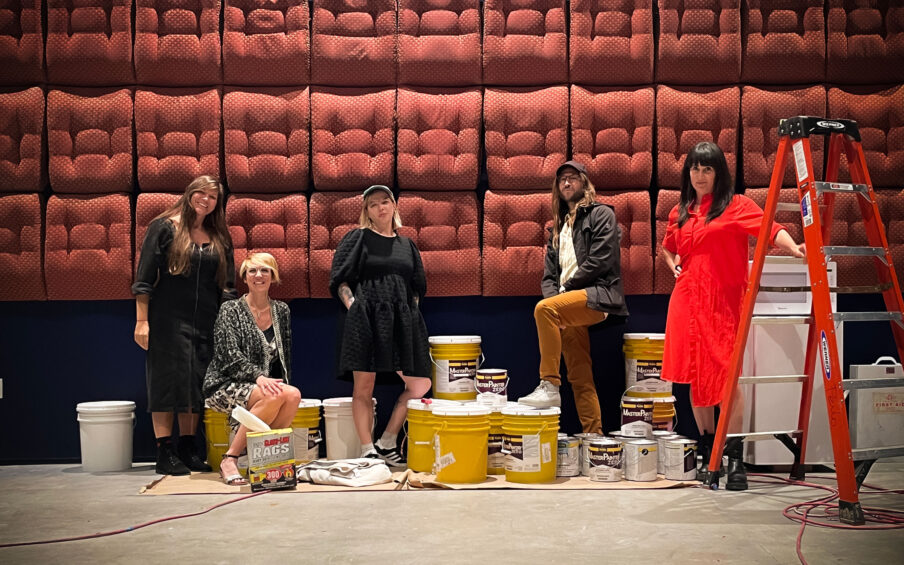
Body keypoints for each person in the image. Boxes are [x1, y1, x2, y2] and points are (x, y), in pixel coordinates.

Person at [660, 141, 806, 490]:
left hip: (723, 304)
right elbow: (668, 248)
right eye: (694, 168)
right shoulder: (680, 210)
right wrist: (673, 265)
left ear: (719, 172)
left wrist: (794, 247)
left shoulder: (736, 205)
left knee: (728, 378)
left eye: (707, 168)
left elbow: (770, 228)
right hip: (687, 301)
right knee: (696, 376)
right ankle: (709, 449)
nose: (699, 175)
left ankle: (734, 454)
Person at [133, 175, 236, 475]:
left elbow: (227, 288)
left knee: (196, 385)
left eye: (213, 197)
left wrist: (226, 325)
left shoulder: (219, 236)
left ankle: (188, 448)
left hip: (207, 321)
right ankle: (164, 451)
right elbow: (144, 280)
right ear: (189, 193)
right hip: (167, 320)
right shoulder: (164, 227)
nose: (206, 200)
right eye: (201, 193)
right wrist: (142, 321)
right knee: (166, 384)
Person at [518, 160, 629, 435]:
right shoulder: (557, 228)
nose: (567, 183)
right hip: (570, 304)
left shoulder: (602, 214)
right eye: (562, 180)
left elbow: (600, 261)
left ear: (584, 183)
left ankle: (550, 384)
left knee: (544, 311)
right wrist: (557, 298)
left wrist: (562, 295)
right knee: (580, 374)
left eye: (572, 178)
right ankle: (594, 435)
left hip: (597, 295)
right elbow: (548, 276)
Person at [329, 185, 432, 467]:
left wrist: (410, 314)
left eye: (384, 202)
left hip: (400, 321)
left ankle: (387, 441)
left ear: (394, 206)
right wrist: (355, 308)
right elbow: (340, 280)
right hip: (366, 318)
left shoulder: (407, 244)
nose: (380, 208)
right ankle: (367, 449)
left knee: (420, 384)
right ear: (367, 211)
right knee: (364, 386)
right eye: (373, 205)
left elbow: (417, 286)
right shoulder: (357, 238)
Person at [203, 253, 300, 485]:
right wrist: (258, 377)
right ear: (244, 278)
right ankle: (231, 458)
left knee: (293, 395)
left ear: (273, 276)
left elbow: (284, 358)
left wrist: (282, 386)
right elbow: (228, 356)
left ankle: (266, 460)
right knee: (271, 395)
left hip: (262, 385)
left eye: (265, 270)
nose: (258, 275)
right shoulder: (230, 309)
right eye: (252, 271)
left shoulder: (282, 311)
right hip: (224, 383)